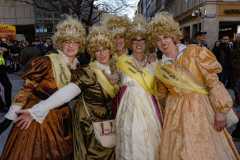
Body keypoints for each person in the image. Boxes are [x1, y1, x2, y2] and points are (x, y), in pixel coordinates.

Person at [15, 26, 118, 160]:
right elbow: (66, 93)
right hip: (89, 124)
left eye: (105, 49)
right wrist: (35, 110)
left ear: (110, 50)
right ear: (92, 53)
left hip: (107, 122)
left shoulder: (114, 68)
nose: (101, 53)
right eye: (97, 50)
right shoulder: (89, 72)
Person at [148, 12, 240, 160]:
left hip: (200, 111)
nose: (163, 42)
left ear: (173, 36)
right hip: (174, 116)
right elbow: (161, 96)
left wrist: (221, 110)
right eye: (158, 40)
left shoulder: (195, 52)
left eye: (165, 36)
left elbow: (213, 83)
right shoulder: (160, 67)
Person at [0, 16, 86, 159]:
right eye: (66, 42)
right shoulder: (46, 62)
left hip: (63, 119)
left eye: (75, 42)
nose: (70, 46)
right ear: (60, 43)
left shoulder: (78, 69)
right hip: (36, 119)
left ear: (80, 44)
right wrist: (9, 119)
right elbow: (26, 90)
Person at [115, 15, 163, 160]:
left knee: (150, 143)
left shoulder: (154, 62)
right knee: (130, 143)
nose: (138, 43)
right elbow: (114, 84)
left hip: (150, 110)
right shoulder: (122, 62)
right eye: (135, 40)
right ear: (130, 43)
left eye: (141, 39)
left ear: (146, 42)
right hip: (127, 110)